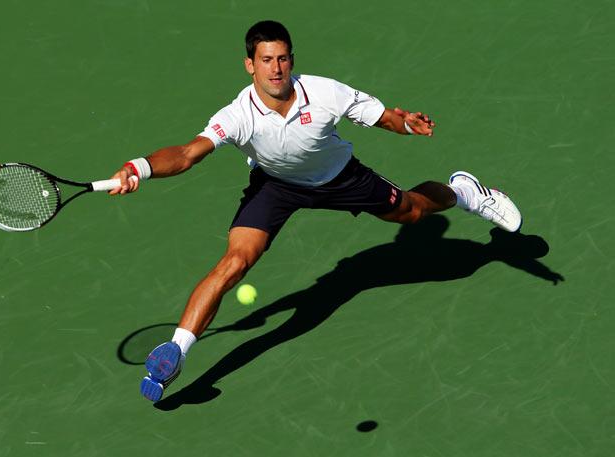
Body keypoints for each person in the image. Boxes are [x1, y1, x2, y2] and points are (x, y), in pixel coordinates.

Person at [108, 20, 522, 402]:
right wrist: (138, 168)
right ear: (249, 65)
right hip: (276, 186)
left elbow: (384, 117)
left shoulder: (324, 92)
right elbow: (185, 154)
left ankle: (464, 192)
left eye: (283, 58)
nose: (276, 69)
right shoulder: (237, 116)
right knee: (234, 262)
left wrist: (407, 124)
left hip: (340, 177)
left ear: (291, 59)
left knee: (412, 212)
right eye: (266, 60)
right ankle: (176, 352)